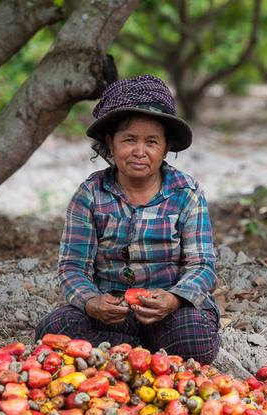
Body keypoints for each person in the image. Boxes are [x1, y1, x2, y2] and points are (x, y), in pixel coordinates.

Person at [34, 74, 220, 364]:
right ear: (111, 143)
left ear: (166, 147)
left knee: (195, 339)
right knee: (53, 330)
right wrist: (92, 302)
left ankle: (118, 355)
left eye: (151, 142)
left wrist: (173, 299)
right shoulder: (90, 195)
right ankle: (144, 356)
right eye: (129, 140)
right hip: (111, 313)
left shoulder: (186, 193)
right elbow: (72, 266)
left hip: (170, 310)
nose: (139, 151)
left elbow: (203, 264)